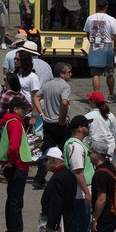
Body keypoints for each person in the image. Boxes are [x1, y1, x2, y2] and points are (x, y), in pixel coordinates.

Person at [0, 95, 33, 232]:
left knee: (13, 200)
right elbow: (13, 147)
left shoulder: (11, 121)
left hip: (16, 166)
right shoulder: (15, 123)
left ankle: (13, 231)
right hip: (18, 167)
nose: (25, 112)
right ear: (15, 109)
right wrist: (12, 162)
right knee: (16, 202)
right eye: (23, 109)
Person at [33, 62, 73, 190]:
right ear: (62, 74)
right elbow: (65, 103)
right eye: (68, 72)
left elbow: (36, 97)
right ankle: (68, 177)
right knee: (66, 151)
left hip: (48, 123)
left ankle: (39, 178)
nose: (70, 74)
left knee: (46, 151)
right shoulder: (65, 87)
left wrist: (41, 113)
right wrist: (62, 118)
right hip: (60, 124)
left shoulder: (47, 85)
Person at [84, 1, 116, 101]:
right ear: (106, 6)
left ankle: (96, 96)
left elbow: (87, 33)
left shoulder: (90, 18)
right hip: (107, 44)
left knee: (96, 73)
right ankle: (110, 95)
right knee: (109, 73)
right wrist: (115, 42)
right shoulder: (111, 19)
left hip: (94, 45)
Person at [40, 147, 80, 232]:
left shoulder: (58, 178)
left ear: (54, 161)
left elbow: (56, 203)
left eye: (46, 160)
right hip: (68, 223)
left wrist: (52, 226)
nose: (44, 163)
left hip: (59, 226)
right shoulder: (69, 174)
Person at [89, 139, 116, 232]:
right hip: (114, 214)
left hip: (105, 217)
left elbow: (101, 198)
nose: (88, 154)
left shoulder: (100, 174)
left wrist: (94, 219)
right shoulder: (111, 167)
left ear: (99, 154)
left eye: (90, 152)